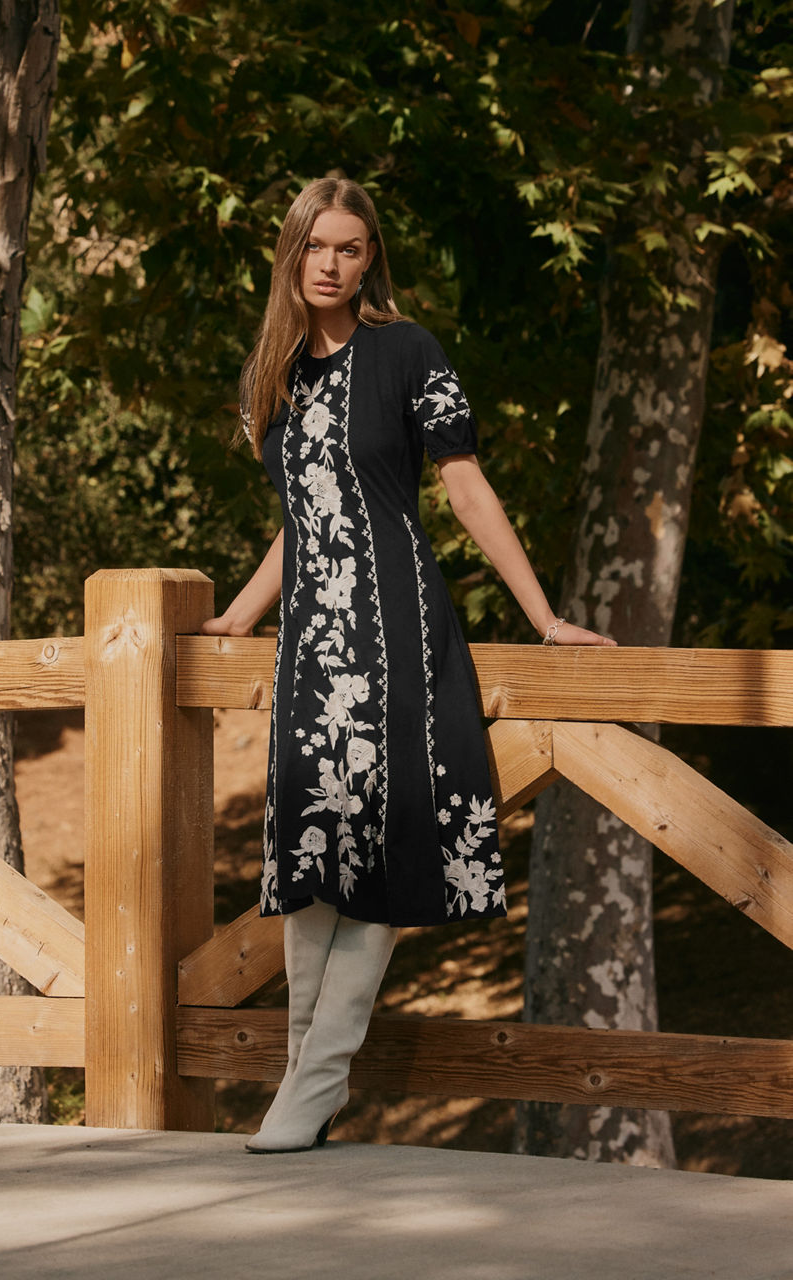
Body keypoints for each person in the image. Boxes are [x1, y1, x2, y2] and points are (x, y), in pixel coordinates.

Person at [201, 177, 615, 1154]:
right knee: (312, 859)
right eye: (316, 246)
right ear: (291, 254)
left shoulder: (407, 350)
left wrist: (545, 616)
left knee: (380, 855)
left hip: (396, 632)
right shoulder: (275, 374)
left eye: (349, 248)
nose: (330, 264)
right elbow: (302, 520)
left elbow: (463, 487)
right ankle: (302, 1078)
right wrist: (237, 616)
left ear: (369, 258)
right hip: (312, 647)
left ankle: (315, 1081)